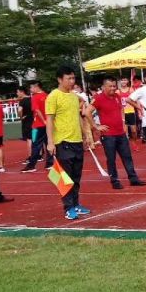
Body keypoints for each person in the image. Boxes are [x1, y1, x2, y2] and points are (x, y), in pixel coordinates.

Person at [46, 66, 101, 220]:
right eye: (68, 78)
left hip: (76, 141)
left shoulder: (73, 96)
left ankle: (76, 204)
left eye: (73, 78)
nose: (71, 81)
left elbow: (78, 116)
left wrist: (84, 136)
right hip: (63, 142)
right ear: (59, 79)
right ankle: (68, 208)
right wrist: (50, 142)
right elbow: (49, 121)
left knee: (76, 176)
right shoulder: (53, 96)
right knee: (65, 177)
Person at [91, 76, 146, 190]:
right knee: (111, 159)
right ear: (104, 87)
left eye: (114, 86)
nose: (112, 88)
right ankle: (114, 180)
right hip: (108, 135)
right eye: (110, 86)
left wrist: (123, 121)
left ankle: (133, 178)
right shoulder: (98, 98)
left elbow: (121, 108)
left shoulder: (117, 96)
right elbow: (87, 112)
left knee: (127, 156)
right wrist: (96, 126)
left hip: (120, 132)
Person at [22, 80, 54, 171]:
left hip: (37, 126)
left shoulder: (34, 97)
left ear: (36, 87)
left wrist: (43, 120)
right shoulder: (47, 96)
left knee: (35, 144)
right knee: (48, 143)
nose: (30, 89)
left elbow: (36, 110)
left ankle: (31, 165)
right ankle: (49, 164)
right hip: (47, 124)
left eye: (31, 87)